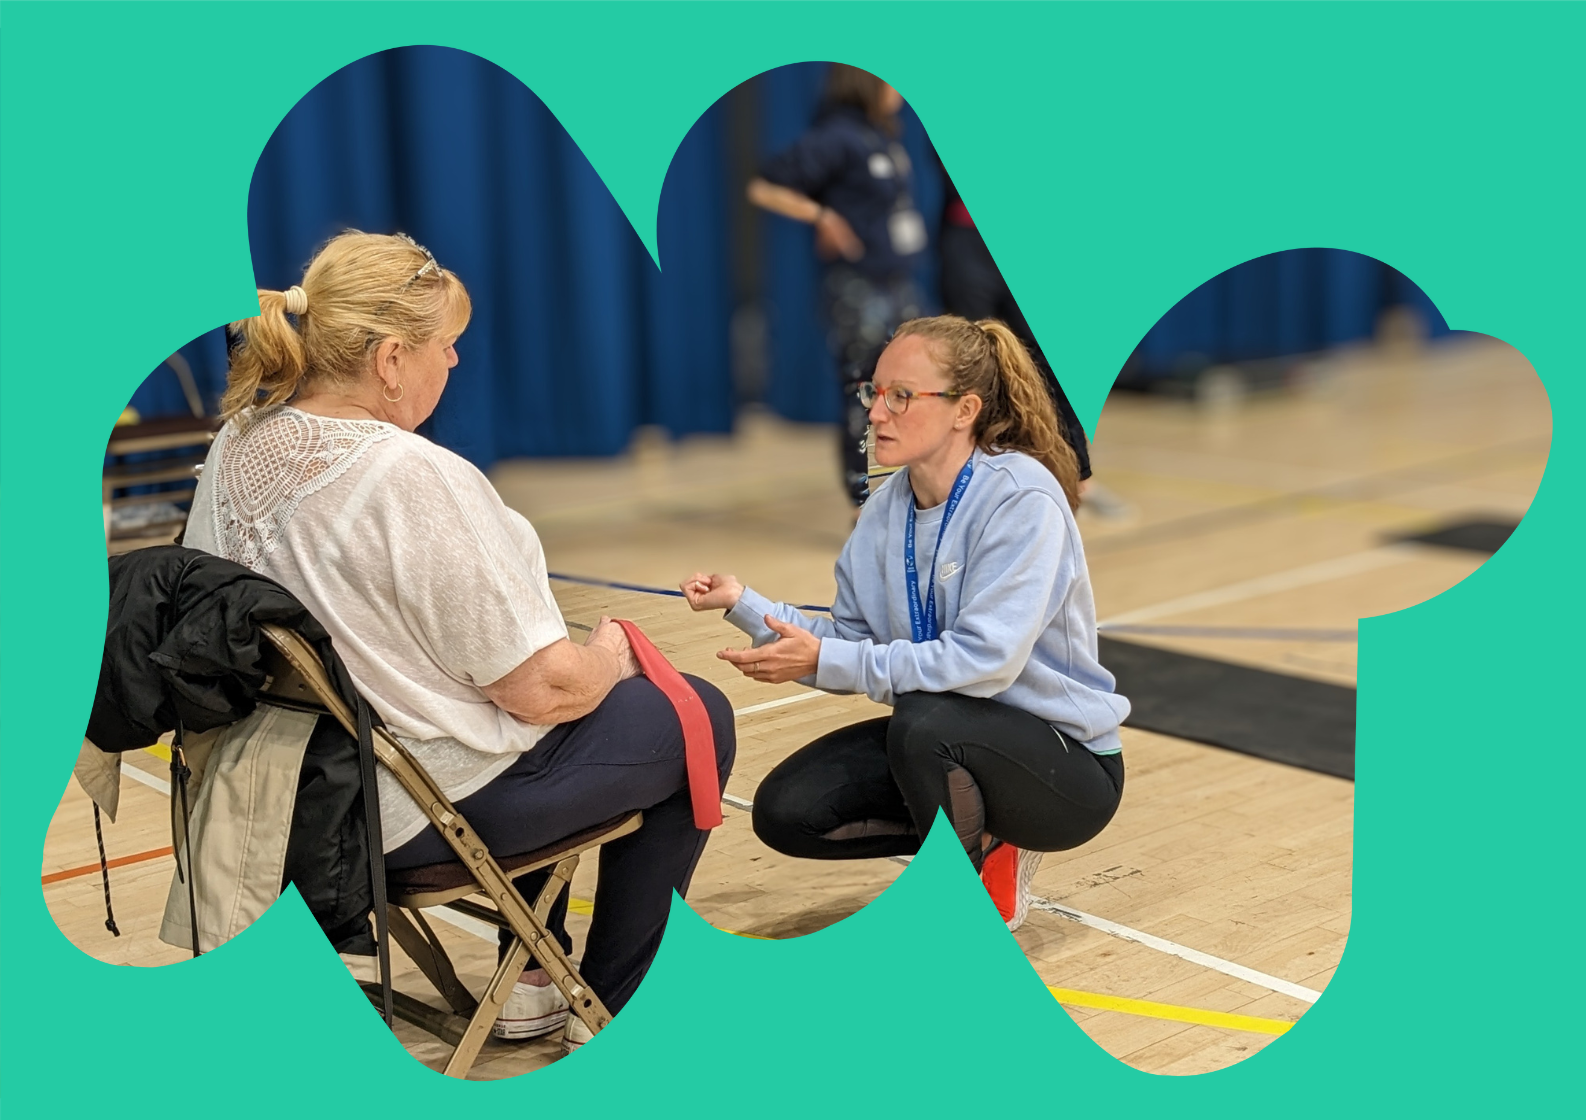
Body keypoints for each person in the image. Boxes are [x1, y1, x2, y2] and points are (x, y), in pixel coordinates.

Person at [183, 230, 736, 1053]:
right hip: (408, 814)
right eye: (447, 347)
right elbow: (541, 689)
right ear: (392, 359)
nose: (454, 364)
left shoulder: (236, 444)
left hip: (284, 803)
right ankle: (612, 1007)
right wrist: (614, 654)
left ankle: (535, 981)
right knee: (693, 710)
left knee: (562, 715)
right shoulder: (410, 474)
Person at [682, 315, 1127, 932]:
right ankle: (985, 840)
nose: (877, 413)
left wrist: (822, 660)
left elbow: (982, 664)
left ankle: (960, 910)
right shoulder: (885, 510)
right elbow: (854, 640)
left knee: (922, 721)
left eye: (901, 396)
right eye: (874, 392)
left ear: (964, 409)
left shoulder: (1022, 498)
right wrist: (748, 606)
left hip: (1067, 767)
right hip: (955, 737)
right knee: (788, 811)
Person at [749, 64, 929, 508]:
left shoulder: (880, 133)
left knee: (914, 387)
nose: (900, 92)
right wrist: (822, 216)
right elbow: (763, 186)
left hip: (898, 285)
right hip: (859, 290)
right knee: (866, 395)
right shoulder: (839, 135)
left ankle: (909, 494)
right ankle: (865, 503)